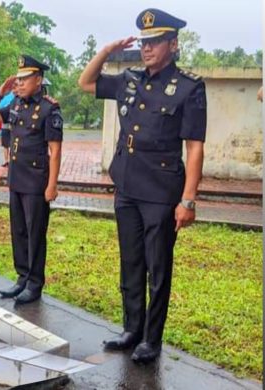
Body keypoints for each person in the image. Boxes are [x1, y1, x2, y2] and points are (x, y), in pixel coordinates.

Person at [78, 8, 207, 363]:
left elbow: (195, 146)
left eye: (155, 42)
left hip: (163, 192)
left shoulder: (189, 87)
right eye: (144, 42)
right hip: (128, 186)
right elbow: (86, 83)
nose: (147, 48)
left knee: (158, 266)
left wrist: (189, 200)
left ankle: (152, 338)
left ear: (173, 44)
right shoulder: (128, 79)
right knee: (131, 261)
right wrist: (107, 51)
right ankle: (131, 329)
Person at [0, 55, 63, 304]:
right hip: (17, 178)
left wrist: (52, 184)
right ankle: (21, 278)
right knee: (18, 230)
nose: (19, 83)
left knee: (35, 232)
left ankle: (34, 283)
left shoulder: (50, 109)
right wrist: (0, 93)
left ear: (38, 80)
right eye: (17, 79)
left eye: (24, 78)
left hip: (37, 181)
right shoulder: (17, 104)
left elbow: (56, 150)